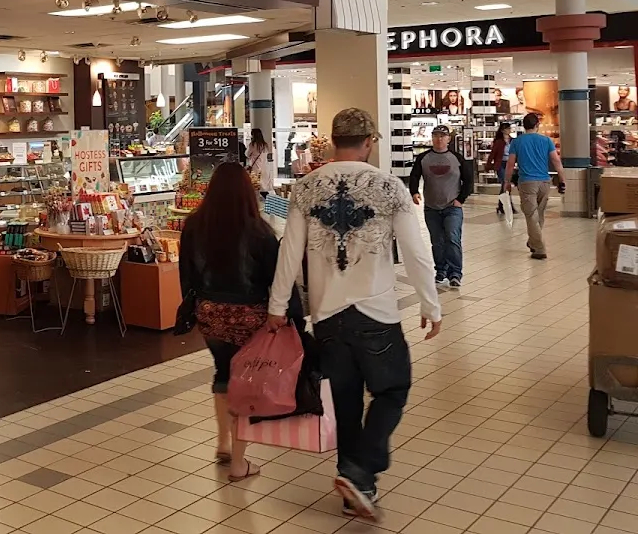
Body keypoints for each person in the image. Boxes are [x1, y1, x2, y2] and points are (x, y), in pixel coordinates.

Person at [268, 108, 442, 522]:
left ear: (332, 140)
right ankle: (362, 470)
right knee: (392, 390)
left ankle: (356, 489)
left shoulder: (306, 188)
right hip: (376, 313)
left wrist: (278, 307)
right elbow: (417, 253)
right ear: (368, 142)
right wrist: (430, 303)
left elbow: (288, 253)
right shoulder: (389, 187)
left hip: (327, 315)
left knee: (345, 402)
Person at [179, 162, 302, 482]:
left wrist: (195, 306)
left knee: (223, 372)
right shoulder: (259, 231)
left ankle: (221, 442)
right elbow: (278, 280)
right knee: (246, 380)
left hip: (210, 315)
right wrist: (293, 316)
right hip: (249, 316)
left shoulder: (193, 226)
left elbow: (187, 274)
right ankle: (238, 461)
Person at [409, 125, 473, 289]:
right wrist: (414, 192)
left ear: (448, 139)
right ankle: (441, 271)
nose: (439, 139)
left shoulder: (456, 158)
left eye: (442, 136)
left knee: (452, 238)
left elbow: (468, 180)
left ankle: (455, 273)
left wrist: (460, 199)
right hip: (431, 207)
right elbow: (414, 176)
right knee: (437, 241)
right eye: (436, 135)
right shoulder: (423, 158)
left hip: (452, 207)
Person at [504, 113, 566, 259]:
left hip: (527, 182)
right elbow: (556, 161)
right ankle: (533, 241)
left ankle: (539, 248)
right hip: (545, 182)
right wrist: (562, 180)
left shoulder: (517, 142)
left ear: (523, 126)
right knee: (539, 215)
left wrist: (506, 181)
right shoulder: (546, 140)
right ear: (537, 125)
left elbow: (510, 164)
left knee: (531, 216)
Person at [487, 122, 515, 215]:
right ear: (503, 130)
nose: (509, 130)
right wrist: (488, 164)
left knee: (505, 185)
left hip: (509, 164)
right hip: (501, 164)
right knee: (505, 183)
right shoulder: (498, 142)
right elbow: (493, 154)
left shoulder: (512, 141)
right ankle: (508, 206)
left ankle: (501, 206)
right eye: (507, 128)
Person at [246, 128, 273, 197]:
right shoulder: (265, 145)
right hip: (264, 168)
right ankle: (268, 199)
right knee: (261, 187)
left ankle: (257, 203)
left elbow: (247, 154)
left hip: (255, 169)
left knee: (255, 187)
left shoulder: (252, 144)